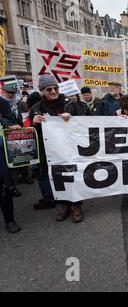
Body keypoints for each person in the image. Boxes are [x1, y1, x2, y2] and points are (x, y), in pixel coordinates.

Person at [29, 75, 84, 223]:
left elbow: (85, 122)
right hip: (51, 151)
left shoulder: (70, 104)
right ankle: (64, 205)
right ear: (42, 92)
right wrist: (34, 124)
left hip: (71, 148)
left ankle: (76, 206)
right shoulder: (36, 108)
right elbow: (28, 133)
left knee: (73, 175)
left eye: (55, 88)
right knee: (58, 177)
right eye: (49, 89)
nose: (53, 91)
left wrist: (72, 118)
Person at [0, 96, 21, 233]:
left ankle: (9, 220)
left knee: (4, 188)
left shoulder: (2, 102)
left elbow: (9, 119)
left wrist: (7, 124)